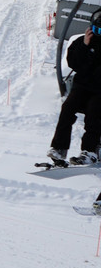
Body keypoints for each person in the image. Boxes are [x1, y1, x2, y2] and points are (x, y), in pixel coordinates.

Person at [46, 9, 101, 166]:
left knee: (94, 113)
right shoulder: (82, 42)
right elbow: (74, 63)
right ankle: (59, 147)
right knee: (68, 108)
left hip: (99, 91)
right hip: (82, 87)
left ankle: (90, 151)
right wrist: (85, 46)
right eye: (97, 30)